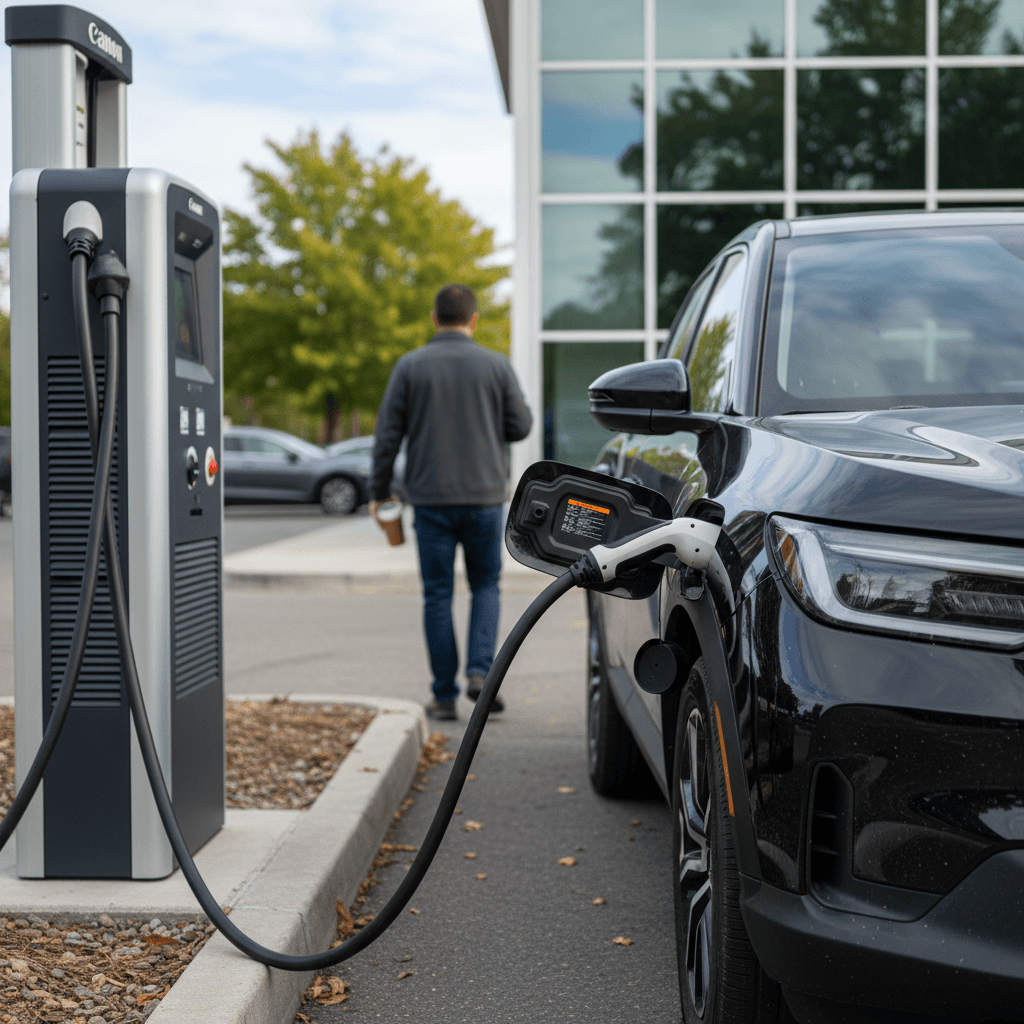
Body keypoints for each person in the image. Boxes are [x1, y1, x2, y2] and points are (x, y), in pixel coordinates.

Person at [370, 284, 533, 721]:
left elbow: (387, 437)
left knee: (437, 594)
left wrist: (379, 492)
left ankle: (443, 696)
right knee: (486, 586)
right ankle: (481, 673)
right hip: (484, 498)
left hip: (431, 501)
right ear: (474, 319)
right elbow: (520, 426)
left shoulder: (410, 366)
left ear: (434, 318)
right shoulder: (496, 365)